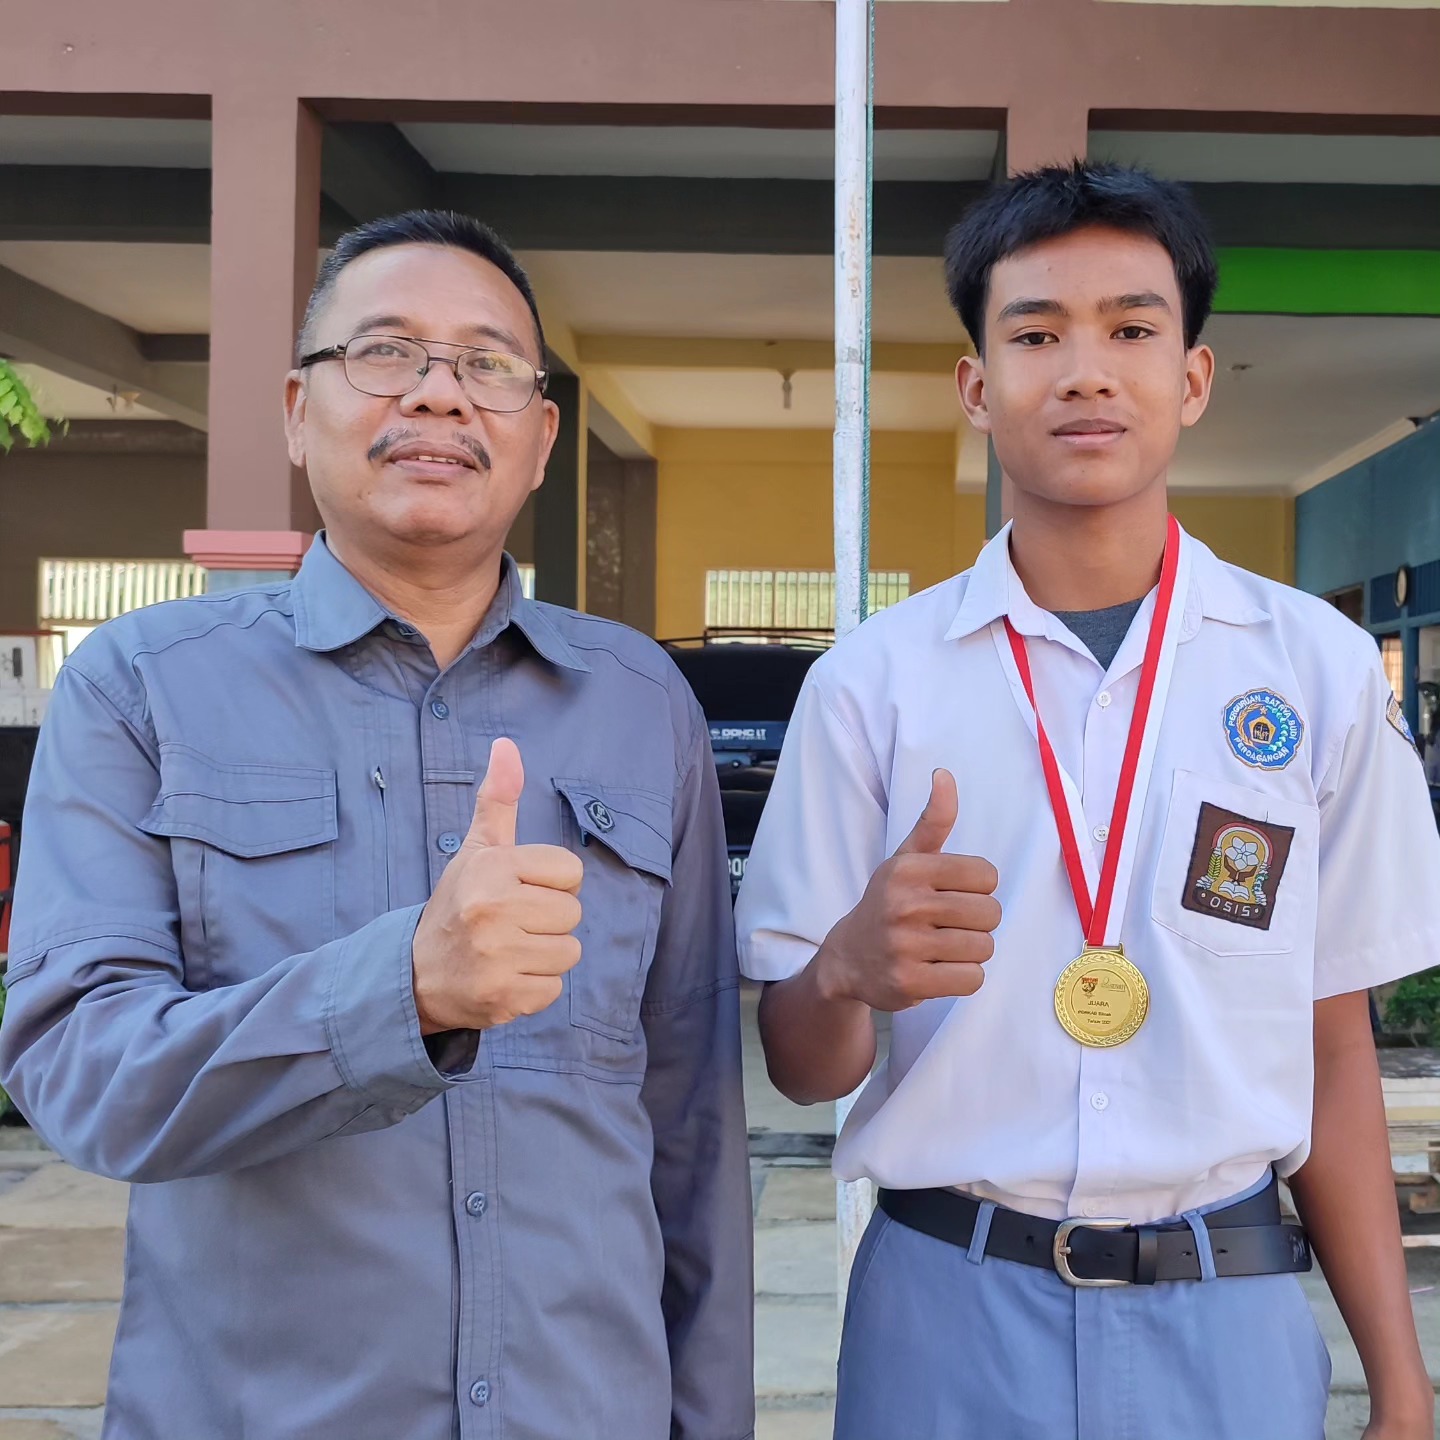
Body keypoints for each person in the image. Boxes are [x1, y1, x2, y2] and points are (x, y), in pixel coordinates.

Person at [0, 210, 753, 1440]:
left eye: (487, 364)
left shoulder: (638, 701)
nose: (440, 394)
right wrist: (401, 991)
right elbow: (78, 1072)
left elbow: (692, 1122)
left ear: (540, 439)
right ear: (299, 411)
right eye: (386, 352)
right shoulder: (142, 686)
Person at [736, 163, 1439, 1440]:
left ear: (1193, 377)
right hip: (946, 1308)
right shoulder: (874, 684)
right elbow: (799, 1063)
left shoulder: (1316, 670)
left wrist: (1401, 1379)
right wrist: (842, 972)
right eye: (1036, 335)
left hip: (1228, 1311)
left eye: (1130, 330)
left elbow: (1335, 1043)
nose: (1085, 372)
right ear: (976, 387)